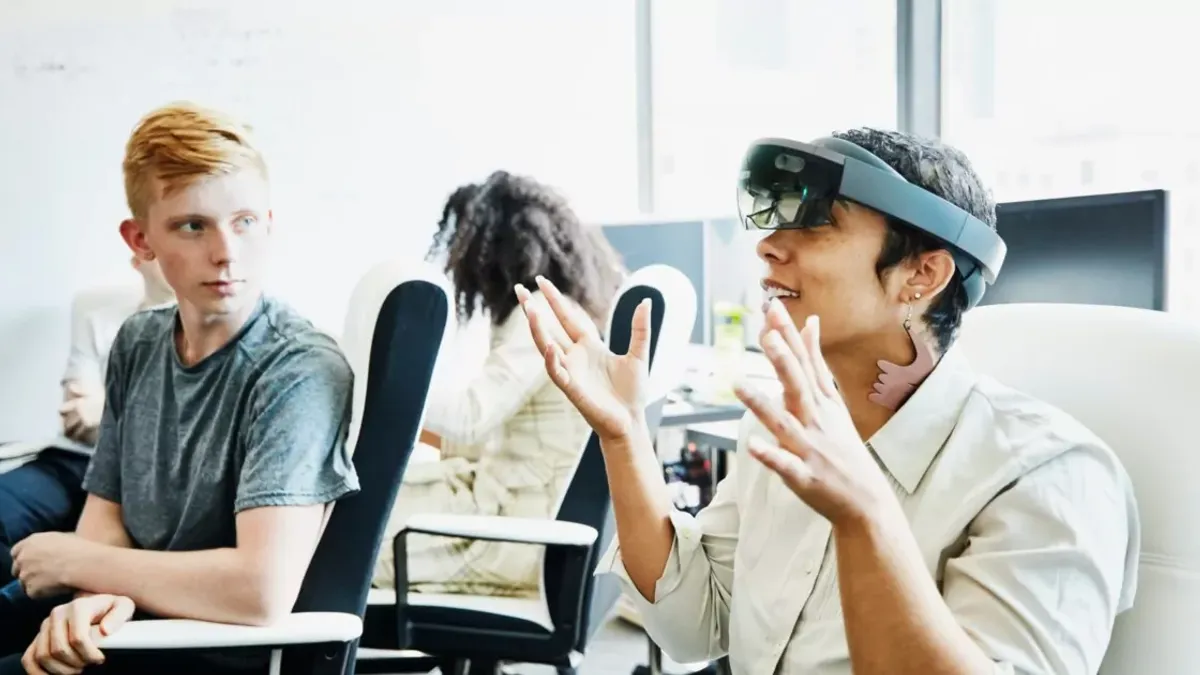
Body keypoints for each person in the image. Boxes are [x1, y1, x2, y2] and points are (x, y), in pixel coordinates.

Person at [518, 128, 1140, 674]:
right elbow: (691, 628)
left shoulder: (1048, 476)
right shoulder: (778, 434)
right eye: (776, 221)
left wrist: (864, 514)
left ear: (922, 276)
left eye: (817, 223)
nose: (768, 246)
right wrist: (624, 435)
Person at [0, 101, 359, 675]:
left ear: (268, 223)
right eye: (193, 225)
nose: (226, 253)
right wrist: (90, 599)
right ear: (140, 241)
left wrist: (74, 563)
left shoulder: (299, 369)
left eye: (244, 222)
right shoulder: (138, 341)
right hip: (122, 615)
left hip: (195, 644)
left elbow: (259, 590)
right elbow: (107, 511)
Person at [371, 170, 624, 597]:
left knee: (345, 547)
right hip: (512, 508)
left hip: (515, 533)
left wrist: (379, 376)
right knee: (361, 511)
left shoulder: (540, 315)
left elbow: (471, 419)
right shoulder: (559, 307)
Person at [0, 258, 175, 589]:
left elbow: (176, 429)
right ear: (138, 247)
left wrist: (105, 410)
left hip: (145, 479)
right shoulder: (95, 307)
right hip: (74, 460)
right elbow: (77, 416)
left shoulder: (221, 316)